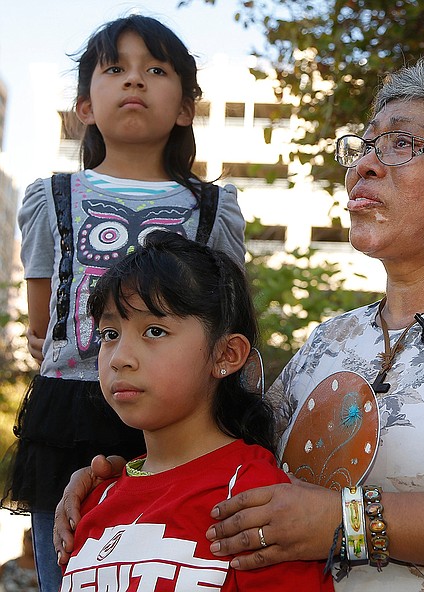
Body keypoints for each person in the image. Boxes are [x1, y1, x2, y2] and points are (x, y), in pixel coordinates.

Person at [56, 58, 424, 591]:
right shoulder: (329, 343)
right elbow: (222, 458)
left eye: (402, 144)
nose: (364, 164)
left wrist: (348, 521)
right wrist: (130, 480)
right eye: (364, 146)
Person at [2, 15, 246, 592]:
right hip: (72, 415)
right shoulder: (51, 197)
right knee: (71, 566)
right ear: (85, 105)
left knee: (178, 563)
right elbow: (44, 322)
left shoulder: (216, 208)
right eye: (116, 70)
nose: (134, 81)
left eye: (155, 70)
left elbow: (229, 314)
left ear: (186, 107)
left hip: (183, 418)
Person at [55, 231, 332, 591]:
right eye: (109, 334)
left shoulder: (254, 496)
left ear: (226, 355)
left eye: (154, 330)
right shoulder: (92, 498)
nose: (120, 358)